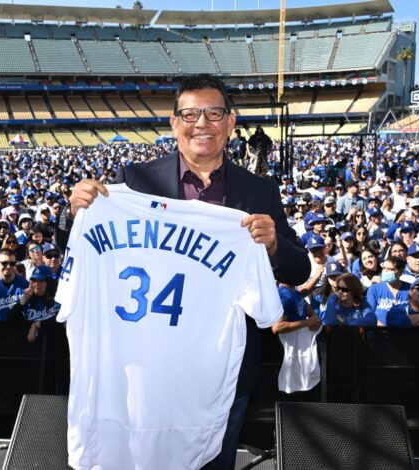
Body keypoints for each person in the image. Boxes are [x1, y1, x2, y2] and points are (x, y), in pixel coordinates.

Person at [63, 74, 309, 470]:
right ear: (174, 123)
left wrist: (275, 246)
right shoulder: (134, 181)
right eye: (191, 114)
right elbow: (83, 251)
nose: (202, 124)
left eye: (214, 114)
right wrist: (73, 213)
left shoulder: (260, 191)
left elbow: (299, 270)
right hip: (144, 365)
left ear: (231, 123)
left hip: (220, 374)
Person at [9, 265, 61, 342]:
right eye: (33, 280)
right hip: (30, 349)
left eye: (41, 280)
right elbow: (11, 320)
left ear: (49, 283)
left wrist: (37, 324)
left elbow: (60, 321)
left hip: (53, 346)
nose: (36, 284)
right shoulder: (27, 299)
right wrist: (23, 300)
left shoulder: (58, 299)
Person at [366, 256, 410, 326]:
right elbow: (368, 314)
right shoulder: (374, 289)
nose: (385, 272)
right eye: (384, 268)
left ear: (400, 272)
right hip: (378, 331)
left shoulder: (410, 290)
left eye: (390, 269)